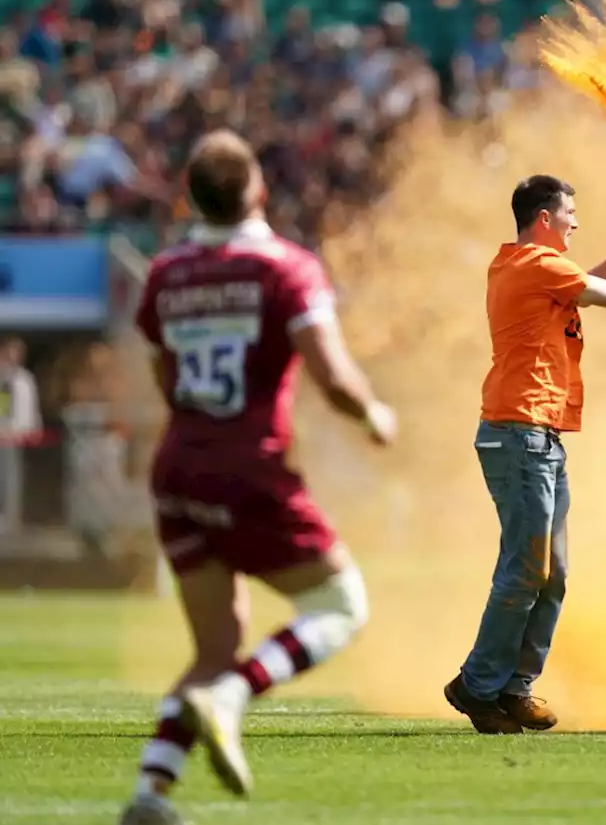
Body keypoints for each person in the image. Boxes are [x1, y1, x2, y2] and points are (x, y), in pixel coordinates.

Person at [119, 130, 397, 825]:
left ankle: (150, 794)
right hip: (245, 464)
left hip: (177, 465)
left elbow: (164, 372)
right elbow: (332, 376)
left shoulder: (167, 272)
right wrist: (373, 415)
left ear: (191, 197)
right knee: (341, 604)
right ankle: (235, 697)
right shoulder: (287, 267)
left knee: (212, 646)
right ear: (259, 190)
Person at [444, 174, 606, 734]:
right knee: (527, 569)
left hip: (535, 435)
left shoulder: (523, 265)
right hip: (520, 432)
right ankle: (478, 686)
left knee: (551, 574)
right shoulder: (538, 265)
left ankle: (514, 688)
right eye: (570, 213)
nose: (576, 221)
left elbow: (589, 284)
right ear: (545, 219)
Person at [0, 338, 41, 534]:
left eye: (19, 352)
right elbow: (3, 408)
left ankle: (13, 517)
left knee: (14, 477)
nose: (15, 356)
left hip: (20, 435)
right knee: (6, 476)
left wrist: (34, 427)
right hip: (4, 435)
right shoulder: (3, 378)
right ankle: (6, 517)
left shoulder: (25, 378)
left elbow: (32, 406)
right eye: (12, 351)